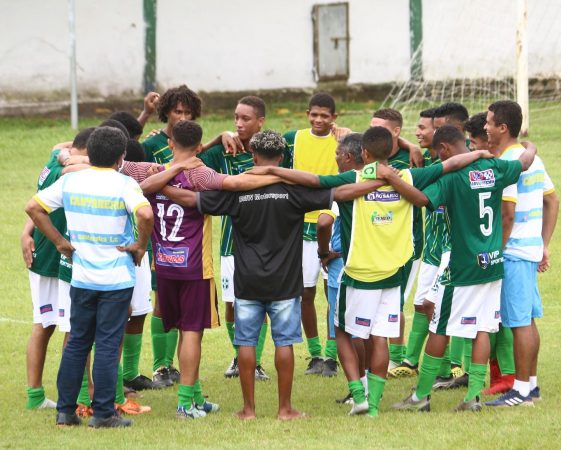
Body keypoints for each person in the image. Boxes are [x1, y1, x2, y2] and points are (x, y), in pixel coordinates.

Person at [139, 120, 284, 419]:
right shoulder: (201, 174)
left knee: (184, 331)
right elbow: (237, 184)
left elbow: (123, 172)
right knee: (192, 332)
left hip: (164, 265)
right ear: (199, 145)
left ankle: (196, 395)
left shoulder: (152, 171)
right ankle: (184, 404)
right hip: (194, 267)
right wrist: (277, 175)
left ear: (169, 144)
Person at [392, 125, 536, 412]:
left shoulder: (452, 176)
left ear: (445, 149)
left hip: (461, 266)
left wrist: (393, 181)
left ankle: (420, 397)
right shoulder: (493, 166)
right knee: (482, 328)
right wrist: (531, 147)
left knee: (440, 327)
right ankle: (473, 397)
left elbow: (422, 199)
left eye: (437, 151)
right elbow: (523, 162)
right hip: (492, 262)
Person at [25, 126, 154, 428]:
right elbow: (145, 215)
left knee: (77, 343)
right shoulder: (124, 183)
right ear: (122, 157)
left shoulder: (71, 180)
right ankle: (103, 413)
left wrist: (59, 242)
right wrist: (140, 245)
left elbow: (33, 207)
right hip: (115, 280)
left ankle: (66, 412)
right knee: (108, 345)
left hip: (82, 277)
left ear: (89, 153)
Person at [484, 100, 559, 407]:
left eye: (489, 122)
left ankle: (522, 392)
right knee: (527, 318)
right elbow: (552, 200)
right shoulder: (532, 160)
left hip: (513, 252)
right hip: (528, 249)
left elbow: (507, 215)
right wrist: (544, 243)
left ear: (502, 128)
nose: (485, 127)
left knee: (519, 323)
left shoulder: (511, 162)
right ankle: (532, 386)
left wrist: (498, 252)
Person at [199, 96, 274, 380]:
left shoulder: (272, 150)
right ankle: (238, 356)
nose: (239, 124)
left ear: (260, 122)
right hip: (233, 242)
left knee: (261, 302)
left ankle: (255, 362)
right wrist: (216, 139)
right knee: (232, 302)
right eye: (236, 118)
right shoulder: (223, 150)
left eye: (245, 119)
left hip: (265, 241)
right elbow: (189, 157)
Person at [20, 129, 95, 411]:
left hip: (41, 253)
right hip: (58, 256)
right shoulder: (70, 173)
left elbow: (59, 146)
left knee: (44, 324)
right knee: (73, 329)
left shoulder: (55, 157)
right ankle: (77, 398)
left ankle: (35, 395)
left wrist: (67, 155)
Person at [282, 92, 342, 375]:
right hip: (299, 223)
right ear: (308, 114)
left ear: (334, 118)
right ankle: (315, 353)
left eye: (325, 116)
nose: (319, 120)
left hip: (333, 219)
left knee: (334, 295)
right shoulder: (294, 138)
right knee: (305, 292)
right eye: (314, 114)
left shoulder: (342, 138)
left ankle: (332, 355)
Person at [465, 111, 517, 395]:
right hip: (492, 252)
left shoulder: (501, 166)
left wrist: (498, 250)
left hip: (498, 253)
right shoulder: (496, 164)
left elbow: (507, 215)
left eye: (474, 141)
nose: (471, 148)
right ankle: (497, 376)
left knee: (499, 318)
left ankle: (506, 376)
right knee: (491, 319)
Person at [369, 108, 424, 370]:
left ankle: (396, 357)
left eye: (380, 127)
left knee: (396, 300)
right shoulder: (367, 151)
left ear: (396, 131)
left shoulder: (412, 160)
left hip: (407, 242)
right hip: (376, 242)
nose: (373, 131)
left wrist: (409, 145)